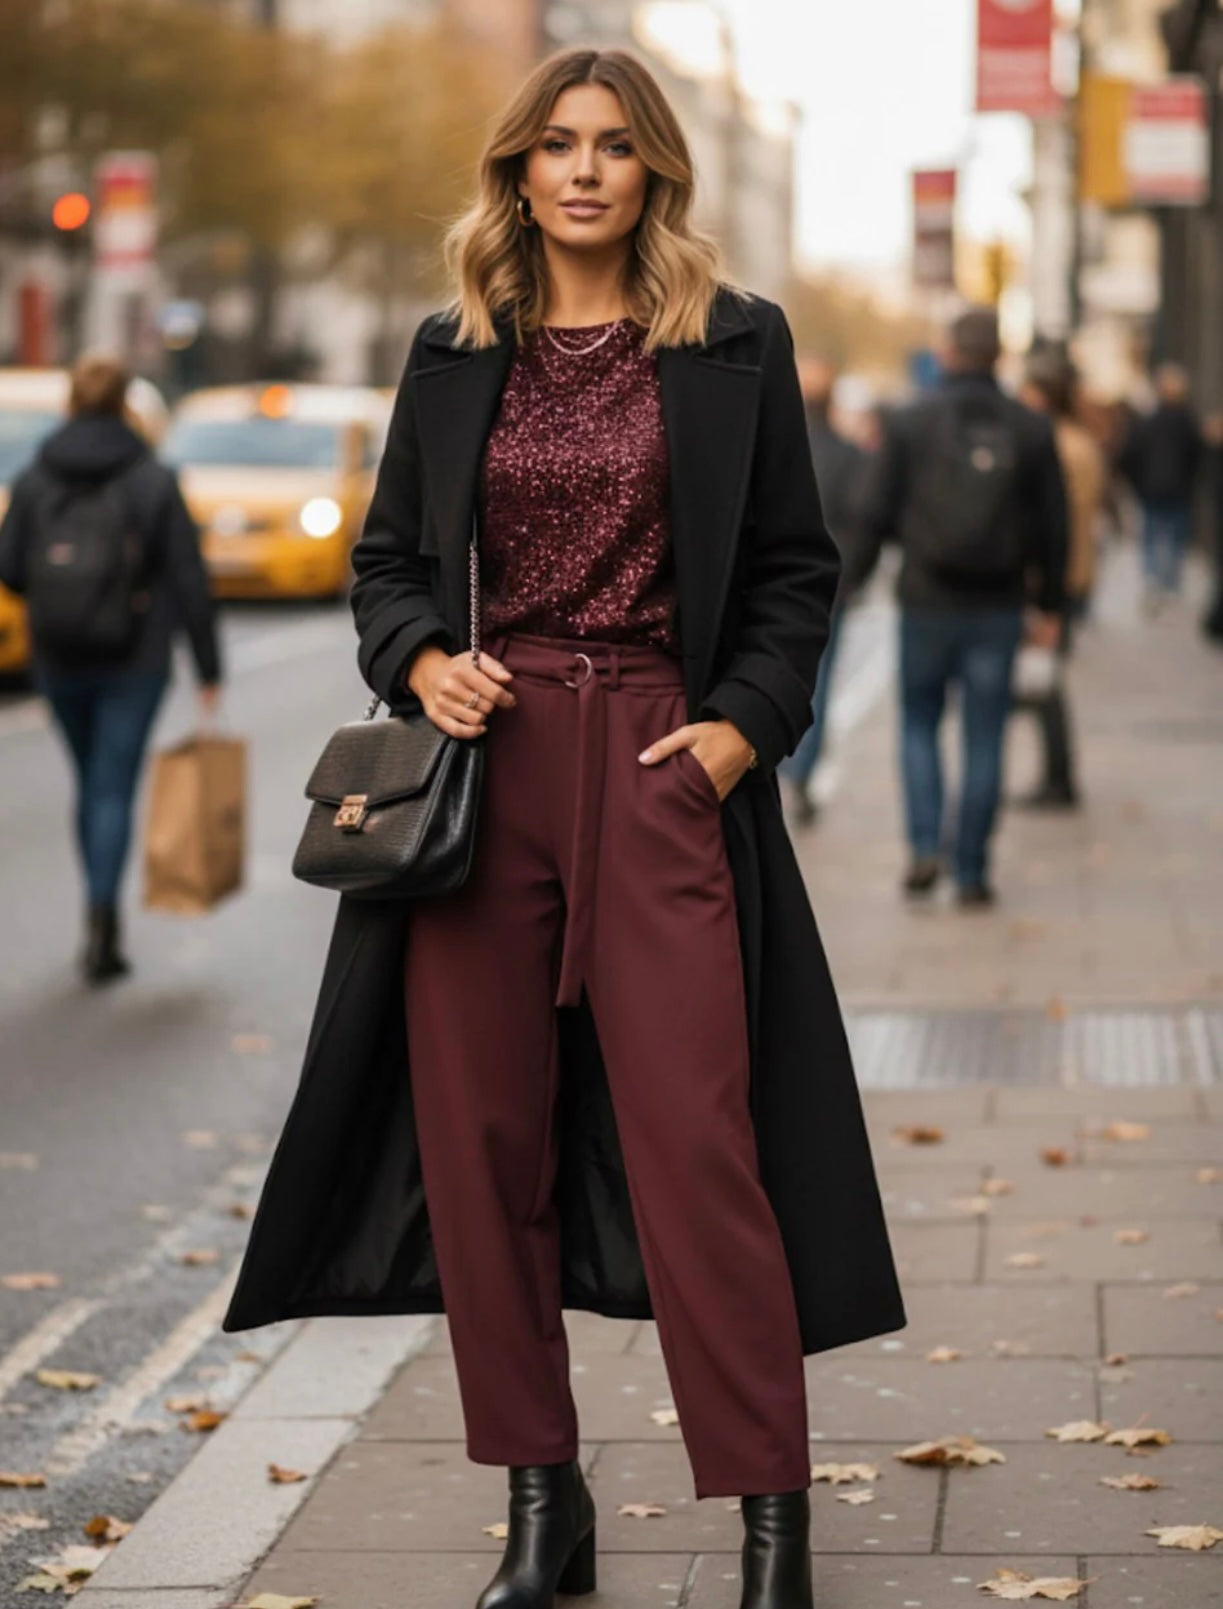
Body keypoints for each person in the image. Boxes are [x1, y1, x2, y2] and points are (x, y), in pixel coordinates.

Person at [222, 46, 904, 1609]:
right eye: (554, 144)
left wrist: (736, 731)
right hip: (491, 771)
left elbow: (798, 570)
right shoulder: (456, 347)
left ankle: (769, 1527)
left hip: (664, 761)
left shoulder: (735, 344)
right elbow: (389, 562)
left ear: (653, 168)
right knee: (481, 1152)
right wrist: (418, 657)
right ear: (516, 171)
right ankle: (543, 1510)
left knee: (698, 1151)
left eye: (611, 146)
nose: (582, 169)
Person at [0, 354, 220, 983]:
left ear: (69, 401)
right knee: (112, 785)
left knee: (88, 780)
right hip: (136, 657)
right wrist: (208, 667)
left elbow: (10, 566)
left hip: (58, 654)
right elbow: (188, 577)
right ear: (127, 404)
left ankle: (94, 907)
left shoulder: (36, 475)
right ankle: (103, 921)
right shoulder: (150, 476)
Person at [854, 307, 1067, 906]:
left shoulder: (908, 421)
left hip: (924, 599)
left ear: (947, 353)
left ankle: (925, 846)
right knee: (985, 736)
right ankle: (971, 870)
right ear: (999, 355)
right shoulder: (1030, 426)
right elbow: (1055, 524)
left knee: (919, 724)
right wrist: (1050, 605)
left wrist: (850, 583)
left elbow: (874, 512)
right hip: (997, 606)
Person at [1015, 352, 1106, 809]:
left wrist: (1043, 587)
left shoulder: (1058, 443)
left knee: (1044, 682)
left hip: (1058, 577)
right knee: (1045, 680)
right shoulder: (1078, 440)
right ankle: (1056, 773)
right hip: (1074, 573)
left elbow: (1054, 523)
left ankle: (1059, 776)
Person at [779, 358, 867, 825]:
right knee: (820, 684)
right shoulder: (850, 455)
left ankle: (774, 761)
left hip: (771, 587)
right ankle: (802, 771)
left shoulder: (771, 446)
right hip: (828, 588)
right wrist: (852, 579)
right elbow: (860, 524)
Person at [1120, 362, 1203, 614]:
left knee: (1152, 537)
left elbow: (1129, 455)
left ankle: (1155, 580)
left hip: (1153, 490)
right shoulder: (1187, 423)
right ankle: (1167, 584)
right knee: (1174, 539)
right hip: (1174, 490)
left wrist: (1138, 483)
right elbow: (1196, 457)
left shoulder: (1150, 422)